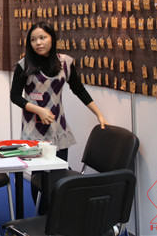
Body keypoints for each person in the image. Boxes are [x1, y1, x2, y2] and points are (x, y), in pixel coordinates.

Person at [10, 21, 107, 212]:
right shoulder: (23, 65)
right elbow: (14, 97)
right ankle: (42, 216)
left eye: (42, 38)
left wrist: (98, 114)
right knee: (39, 178)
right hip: (34, 131)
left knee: (57, 175)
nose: (38, 43)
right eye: (33, 40)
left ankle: (56, 217)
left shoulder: (65, 63)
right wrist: (38, 110)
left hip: (58, 129)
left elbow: (79, 90)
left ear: (52, 38)